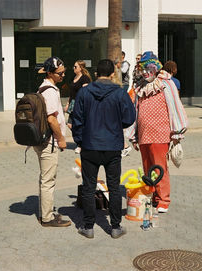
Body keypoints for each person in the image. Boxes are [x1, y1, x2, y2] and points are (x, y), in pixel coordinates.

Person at [72, 59, 135, 239]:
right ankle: (115, 227)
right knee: (114, 187)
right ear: (113, 74)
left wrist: (79, 140)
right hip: (112, 146)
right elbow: (129, 117)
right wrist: (116, 125)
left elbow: (77, 119)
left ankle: (88, 226)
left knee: (89, 187)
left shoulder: (84, 92)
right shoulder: (120, 93)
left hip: (90, 145)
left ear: (97, 72)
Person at [130, 51, 187, 213]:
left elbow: (175, 108)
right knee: (147, 167)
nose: (145, 72)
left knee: (159, 167)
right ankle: (153, 195)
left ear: (156, 67)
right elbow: (135, 111)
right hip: (144, 134)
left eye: (148, 68)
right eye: (142, 69)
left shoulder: (166, 84)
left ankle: (164, 199)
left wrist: (177, 133)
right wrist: (133, 135)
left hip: (160, 133)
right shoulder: (140, 86)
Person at [34, 57, 71, 227]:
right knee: (48, 180)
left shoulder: (47, 87)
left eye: (64, 71)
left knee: (46, 178)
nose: (63, 75)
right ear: (50, 73)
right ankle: (47, 218)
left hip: (46, 140)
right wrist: (61, 139)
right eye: (60, 73)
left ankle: (46, 212)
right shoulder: (49, 90)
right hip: (49, 141)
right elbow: (51, 119)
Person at [64, 60, 92, 153]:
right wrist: (68, 104)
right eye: (74, 66)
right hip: (72, 103)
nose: (74, 68)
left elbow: (86, 92)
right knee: (70, 124)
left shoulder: (85, 78)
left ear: (81, 68)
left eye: (75, 67)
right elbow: (71, 92)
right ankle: (79, 141)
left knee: (79, 124)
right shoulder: (73, 77)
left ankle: (80, 144)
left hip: (80, 104)